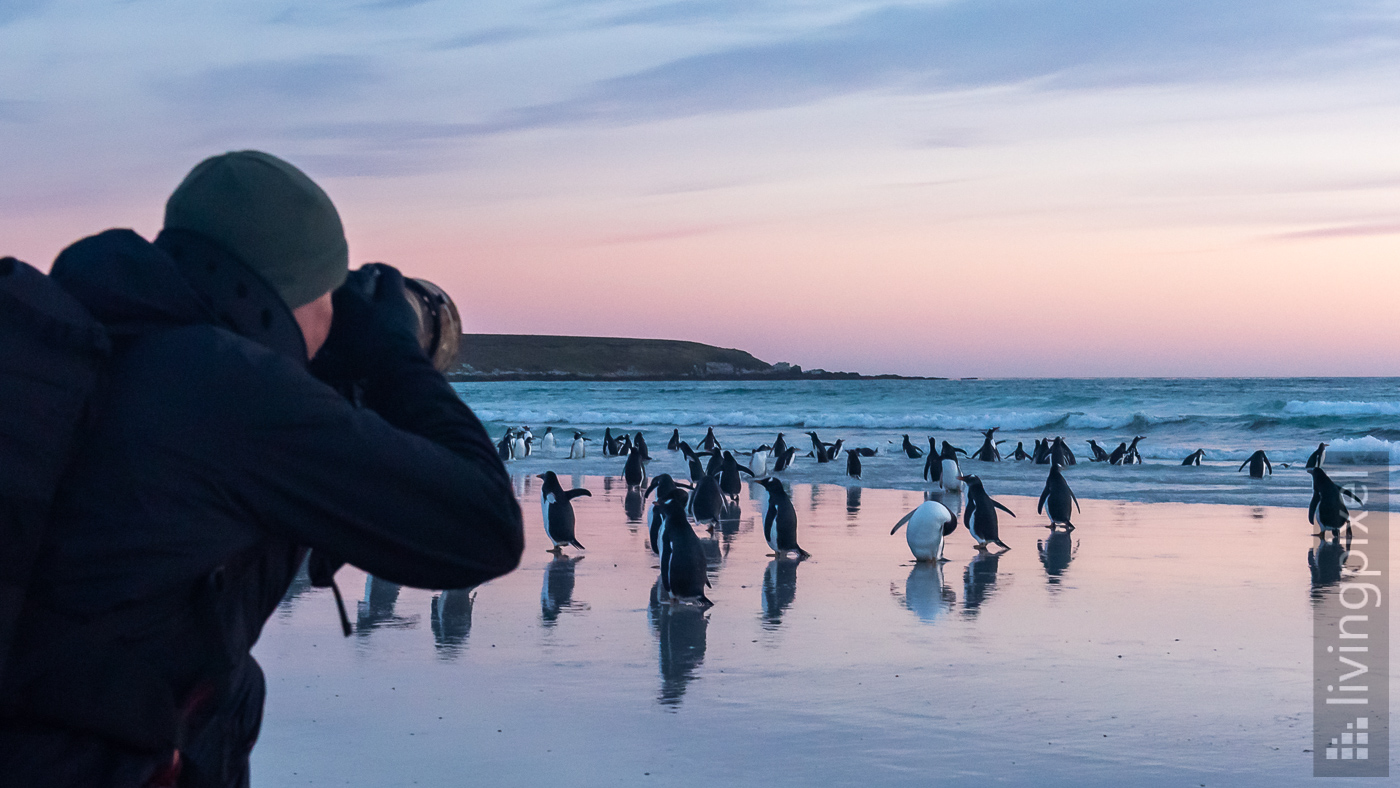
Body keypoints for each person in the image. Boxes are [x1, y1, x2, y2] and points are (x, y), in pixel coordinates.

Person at [0, 151, 523, 786]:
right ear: (289, 293)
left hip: (36, 734)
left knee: (234, 687)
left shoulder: (116, 343)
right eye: (330, 294)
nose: (336, 315)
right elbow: (483, 527)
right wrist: (392, 359)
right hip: (68, 765)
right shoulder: (227, 390)